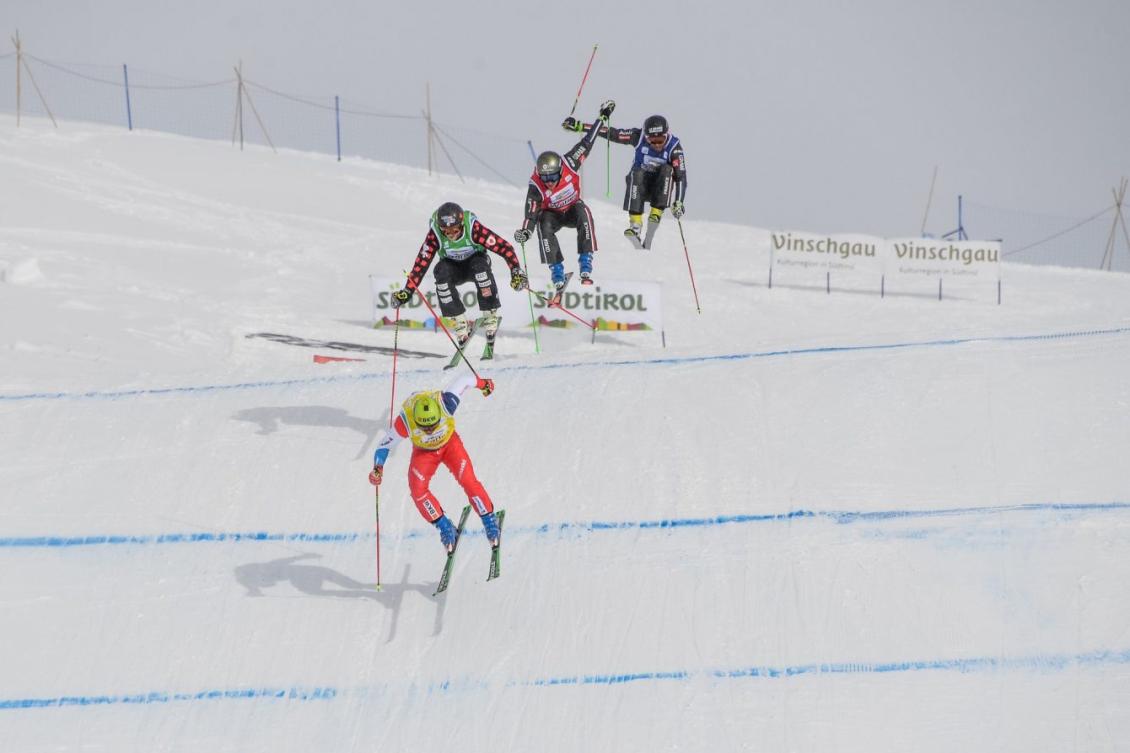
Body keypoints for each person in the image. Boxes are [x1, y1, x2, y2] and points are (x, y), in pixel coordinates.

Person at [368, 373, 501, 551]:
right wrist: (378, 468)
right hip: (424, 453)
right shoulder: (405, 421)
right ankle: (445, 526)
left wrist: (484, 383)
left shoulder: (447, 403)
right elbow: (383, 446)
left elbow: (465, 380)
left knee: (468, 480)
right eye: (425, 427)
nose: (430, 430)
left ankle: (489, 519)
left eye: (433, 425)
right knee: (417, 491)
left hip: (449, 445)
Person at [392, 202, 528, 347]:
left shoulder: (473, 228)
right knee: (440, 271)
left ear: (462, 224)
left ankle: (490, 314)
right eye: (446, 231)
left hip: (475, 263)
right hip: (453, 268)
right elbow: (421, 265)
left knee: (480, 268)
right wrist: (407, 292)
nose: (451, 235)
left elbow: (504, 247)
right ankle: (460, 322)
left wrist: (515, 271)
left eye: (455, 229)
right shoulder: (435, 234)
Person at [515, 100, 616, 290]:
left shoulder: (570, 162)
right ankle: (556, 270)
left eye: (553, 176)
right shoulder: (536, 186)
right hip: (552, 215)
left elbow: (588, 141)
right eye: (545, 177)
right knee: (542, 224)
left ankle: (585, 263)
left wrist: (602, 117)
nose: (549, 181)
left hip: (571, 210)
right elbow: (531, 214)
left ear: (560, 170)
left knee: (583, 211)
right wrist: (525, 232)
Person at [562, 112, 687, 246]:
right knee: (636, 173)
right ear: (646, 137)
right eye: (652, 141)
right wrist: (580, 126)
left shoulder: (674, 147)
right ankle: (636, 226)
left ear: (667, 134)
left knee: (667, 170)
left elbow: (681, 176)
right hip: (640, 187)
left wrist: (679, 202)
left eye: (660, 140)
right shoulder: (638, 137)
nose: (656, 144)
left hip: (660, 189)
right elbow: (612, 133)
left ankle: (655, 215)